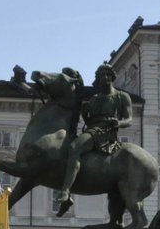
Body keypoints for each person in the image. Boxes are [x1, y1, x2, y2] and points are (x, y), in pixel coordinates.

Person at [52, 63, 132, 216]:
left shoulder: (122, 96)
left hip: (105, 132)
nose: (105, 78)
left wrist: (119, 122)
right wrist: (84, 113)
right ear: (99, 79)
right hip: (91, 129)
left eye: (108, 75)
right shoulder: (95, 98)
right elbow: (87, 119)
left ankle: (65, 191)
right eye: (102, 76)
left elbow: (129, 119)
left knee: (75, 147)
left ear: (113, 76)